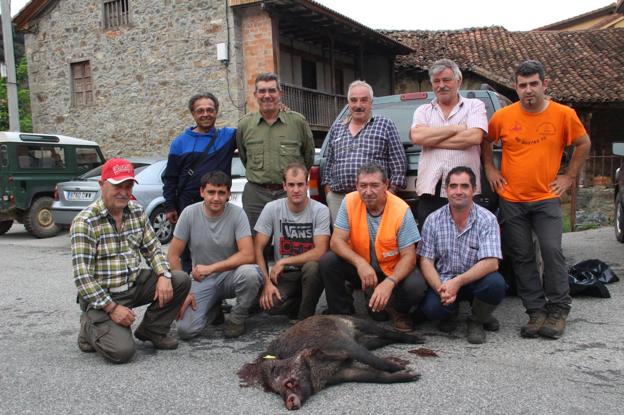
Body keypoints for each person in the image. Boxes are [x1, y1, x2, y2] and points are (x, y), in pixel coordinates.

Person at [483, 60, 591, 339]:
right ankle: (535, 311)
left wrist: (568, 177)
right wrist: (491, 168)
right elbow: (486, 140)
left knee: (552, 251)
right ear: (516, 88)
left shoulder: (563, 115)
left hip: (545, 198)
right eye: (522, 85)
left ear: (545, 84)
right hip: (512, 199)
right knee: (522, 256)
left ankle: (558, 310)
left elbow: (583, 143)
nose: (528, 90)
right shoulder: (503, 117)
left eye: (533, 84)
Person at [72, 158, 190, 364]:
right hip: (105, 295)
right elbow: (83, 278)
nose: (124, 192)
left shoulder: (136, 212)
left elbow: (153, 249)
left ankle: (152, 330)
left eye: (128, 186)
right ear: (102, 185)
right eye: (117, 185)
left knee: (179, 279)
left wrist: (163, 274)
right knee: (122, 352)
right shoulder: (85, 222)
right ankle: (88, 327)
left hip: (133, 283)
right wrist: (112, 309)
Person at [320, 164, 427, 332]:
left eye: (375, 185)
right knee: (329, 261)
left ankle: (396, 309)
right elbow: (336, 241)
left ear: (386, 185)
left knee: (416, 286)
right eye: (363, 185)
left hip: (391, 270)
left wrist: (390, 283)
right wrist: (360, 263)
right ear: (356, 186)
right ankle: (342, 314)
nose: (368, 191)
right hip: (363, 268)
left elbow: (409, 257)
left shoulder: (401, 210)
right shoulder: (349, 202)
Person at [168, 171, 263, 339]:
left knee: (251, 273)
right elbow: (173, 255)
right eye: (211, 192)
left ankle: (237, 318)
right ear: (202, 192)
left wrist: (211, 268)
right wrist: (183, 292)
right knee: (185, 330)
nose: (216, 198)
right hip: (201, 280)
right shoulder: (189, 213)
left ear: (228, 195)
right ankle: (213, 309)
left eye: (221, 193)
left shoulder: (237, 214)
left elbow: (248, 255)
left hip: (231, 277)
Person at [418, 166, 505, 344]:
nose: (458, 191)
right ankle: (450, 312)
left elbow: (491, 263)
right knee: (432, 310)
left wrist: (457, 282)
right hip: (444, 281)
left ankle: (477, 319)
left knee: (496, 284)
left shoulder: (487, 219)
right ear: (446, 190)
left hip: (474, 280)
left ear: (474, 190)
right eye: (453, 186)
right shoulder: (433, 220)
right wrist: (440, 289)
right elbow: (426, 260)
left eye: (464, 186)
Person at [409, 59, 488, 230]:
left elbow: (474, 137)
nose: (441, 85)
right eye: (436, 81)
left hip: (464, 189)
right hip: (431, 189)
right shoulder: (423, 111)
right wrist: (457, 128)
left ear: (458, 81)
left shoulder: (474, 106)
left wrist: (432, 139)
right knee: (430, 243)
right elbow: (417, 137)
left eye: (446, 80)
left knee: (465, 238)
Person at [162, 92, 236, 272]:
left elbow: (253, 128)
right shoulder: (180, 143)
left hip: (217, 203)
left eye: (210, 110)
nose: (205, 114)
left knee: (217, 249)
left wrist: (278, 110)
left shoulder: (228, 136)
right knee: (186, 252)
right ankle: (188, 291)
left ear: (216, 111)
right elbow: (170, 177)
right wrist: (170, 206)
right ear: (193, 114)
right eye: (200, 110)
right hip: (187, 204)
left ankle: (216, 290)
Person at [236, 72, 315, 230]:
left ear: (280, 93)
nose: (267, 95)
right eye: (262, 91)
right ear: (255, 95)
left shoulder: (298, 122)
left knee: (293, 238)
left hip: (288, 193)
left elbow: (308, 157)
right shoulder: (245, 125)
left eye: (272, 90)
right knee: (255, 240)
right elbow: (245, 158)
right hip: (256, 195)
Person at [254, 162, 331, 321]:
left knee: (313, 267)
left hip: (310, 272)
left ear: (307, 185)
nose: (296, 190)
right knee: (270, 305)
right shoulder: (271, 208)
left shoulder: (320, 210)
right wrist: (267, 283)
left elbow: (320, 251)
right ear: (284, 186)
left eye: (300, 185)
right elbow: (257, 248)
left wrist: (284, 261)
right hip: (286, 275)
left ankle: (304, 318)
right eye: (291, 185)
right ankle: (298, 301)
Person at [322, 80, 407, 223]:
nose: (358, 105)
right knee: (342, 240)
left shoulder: (385, 125)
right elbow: (329, 163)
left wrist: (390, 193)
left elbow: (398, 163)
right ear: (348, 103)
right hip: (339, 199)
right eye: (353, 100)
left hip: (373, 196)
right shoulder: (337, 128)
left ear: (371, 103)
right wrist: (328, 193)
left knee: (373, 240)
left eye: (363, 100)